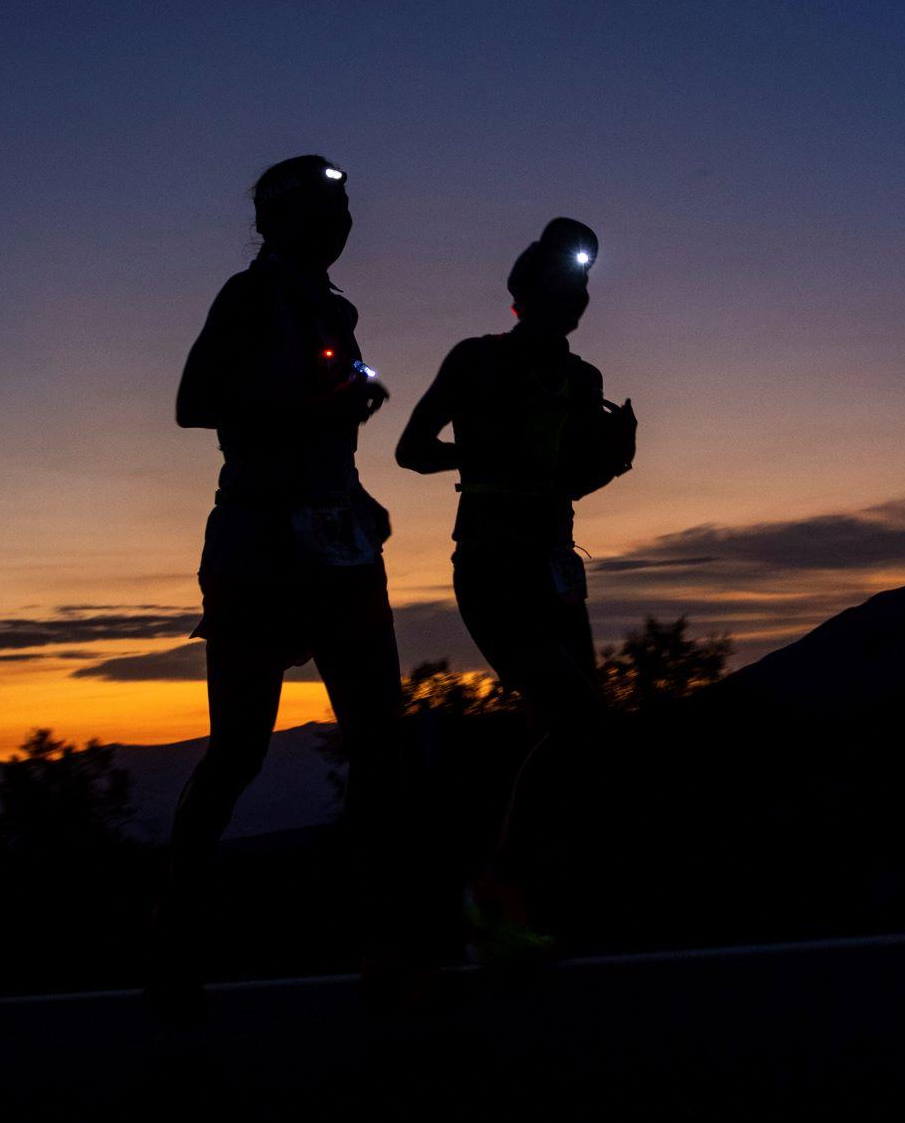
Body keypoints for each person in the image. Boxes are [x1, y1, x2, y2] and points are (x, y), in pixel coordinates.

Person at [149, 154, 418, 1020]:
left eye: (344, 205)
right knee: (241, 748)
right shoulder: (247, 295)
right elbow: (194, 401)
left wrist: (353, 476)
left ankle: (388, 942)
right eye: (325, 206)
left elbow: (325, 425)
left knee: (382, 739)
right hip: (258, 544)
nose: (342, 218)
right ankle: (176, 938)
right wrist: (317, 411)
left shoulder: (336, 308)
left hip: (334, 539)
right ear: (279, 218)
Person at [395, 216, 636, 960]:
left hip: (556, 563)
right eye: (567, 284)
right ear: (525, 294)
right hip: (493, 562)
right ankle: (490, 893)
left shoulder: (583, 380)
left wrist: (610, 461)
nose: (579, 296)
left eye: (584, 286)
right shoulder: (474, 361)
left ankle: (527, 911)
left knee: (557, 734)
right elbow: (409, 450)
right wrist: (476, 452)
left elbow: (567, 481)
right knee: (578, 717)